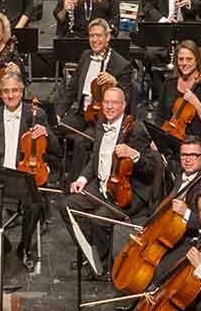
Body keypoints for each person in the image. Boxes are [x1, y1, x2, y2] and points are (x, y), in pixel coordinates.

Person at [61, 83, 164, 274]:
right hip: (102, 185)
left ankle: (104, 264)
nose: (109, 107)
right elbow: (96, 157)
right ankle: (91, 252)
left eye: (114, 103)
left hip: (127, 192)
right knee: (67, 206)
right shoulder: (101, 123)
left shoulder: (136, 129)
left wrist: (134, 155)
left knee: (98, 219)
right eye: (106, 102)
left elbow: (151, 168)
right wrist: (82, 179)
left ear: (123, 105)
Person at [0, 65, 51, 265]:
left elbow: (55, 150)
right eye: (6, 91)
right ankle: (1, 242)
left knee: (35, 204)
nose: (10, 95)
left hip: (23, 176)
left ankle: (24, 246)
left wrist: (46, 133)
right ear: (0, 93)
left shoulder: (37, 114)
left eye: (15, 90)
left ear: (22, 92)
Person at [55, 18, 139, 131]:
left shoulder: (122, 65)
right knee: (54, 129)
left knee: (81, 139)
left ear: (107, 37)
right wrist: (58, 114)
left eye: (99, 36)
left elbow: (127, 99)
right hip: (82, 114)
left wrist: (115, 83)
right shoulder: (86, 56)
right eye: (91, 36)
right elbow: (72, 90)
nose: (95, 40)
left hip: (103, 118)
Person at [154, 40, 201, 152]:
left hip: (200, 143)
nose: (184, 63)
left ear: (197, 60)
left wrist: (196, 103)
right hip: (173, 138)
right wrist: (157, 138)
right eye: (180, 59)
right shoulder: (170, 82)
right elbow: (160, 116)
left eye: (189, 59)